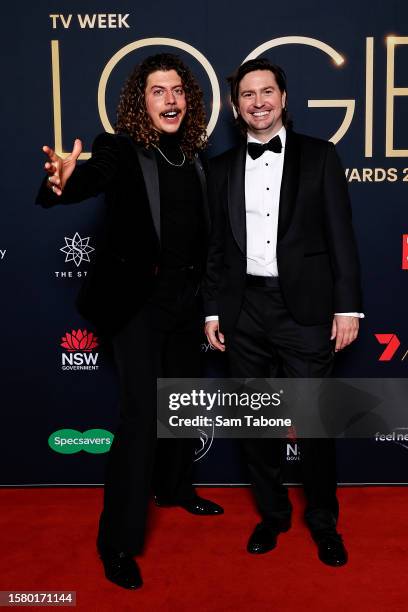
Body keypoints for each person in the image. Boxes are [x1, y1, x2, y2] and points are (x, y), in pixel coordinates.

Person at [36, 53, 223, 590]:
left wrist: (207, 302)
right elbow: (87, 179)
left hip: (185, 305)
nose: (169, 99)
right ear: (140, 103)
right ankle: (116, 543)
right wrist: (62, 180)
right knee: (141, 418)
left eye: (176, 90)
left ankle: (175, 488)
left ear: (188, 98)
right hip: (136, 306)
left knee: (183, 407)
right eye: (157, 91)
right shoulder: (120, 149)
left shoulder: (194, 155)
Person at [204, 58, 363, 567]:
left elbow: (342, 237)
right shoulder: (221, 168)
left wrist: (348, 308)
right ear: (235, 106)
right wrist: (212, 314)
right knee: (256, 424)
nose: (258, 102)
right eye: (248, 94)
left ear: (284, 98)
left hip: (308, 311)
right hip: (243, 309)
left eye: (267, 91)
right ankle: (272, 516)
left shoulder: (320, 156)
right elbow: (214, 250)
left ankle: (323, 522)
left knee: (314, 425)